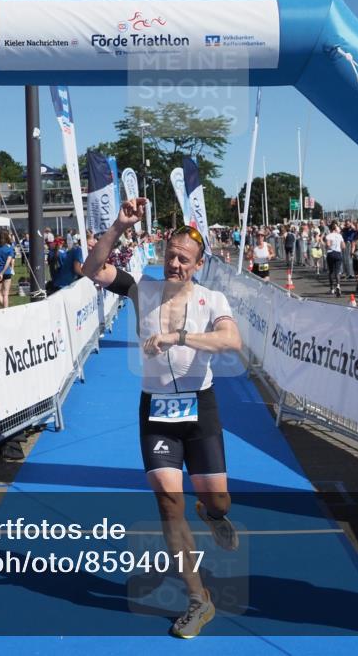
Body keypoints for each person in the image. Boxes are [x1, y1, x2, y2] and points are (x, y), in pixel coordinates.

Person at [82, 197, 242, 639]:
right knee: (168, 502)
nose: (175, 264)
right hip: (155, 410)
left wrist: (179, 336)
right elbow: (91, 270)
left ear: (199, 264)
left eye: (184, 260)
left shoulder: (213, 299)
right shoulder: (142, 290)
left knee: (219, 502)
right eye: (170, 255)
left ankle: (211, 513)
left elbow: (232, 342)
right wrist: (117, 226)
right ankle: (198, 599)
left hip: (199, 407)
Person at [0, 230, 16, 308]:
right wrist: (2, 273)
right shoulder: (9, 248)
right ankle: (6, 311)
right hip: (6, 272)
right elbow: (8, 262)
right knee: (5, 294)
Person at [323, 222, 345, 296]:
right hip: (338, 253)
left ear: (329, 229)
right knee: (337, 272)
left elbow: (328, 245)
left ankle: (332, 288)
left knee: (331, 271)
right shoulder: (339, 236)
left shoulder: (328, 236)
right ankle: (338, 285)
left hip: (331, 253)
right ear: (335, 228)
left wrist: (327, 245)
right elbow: (343, 246)